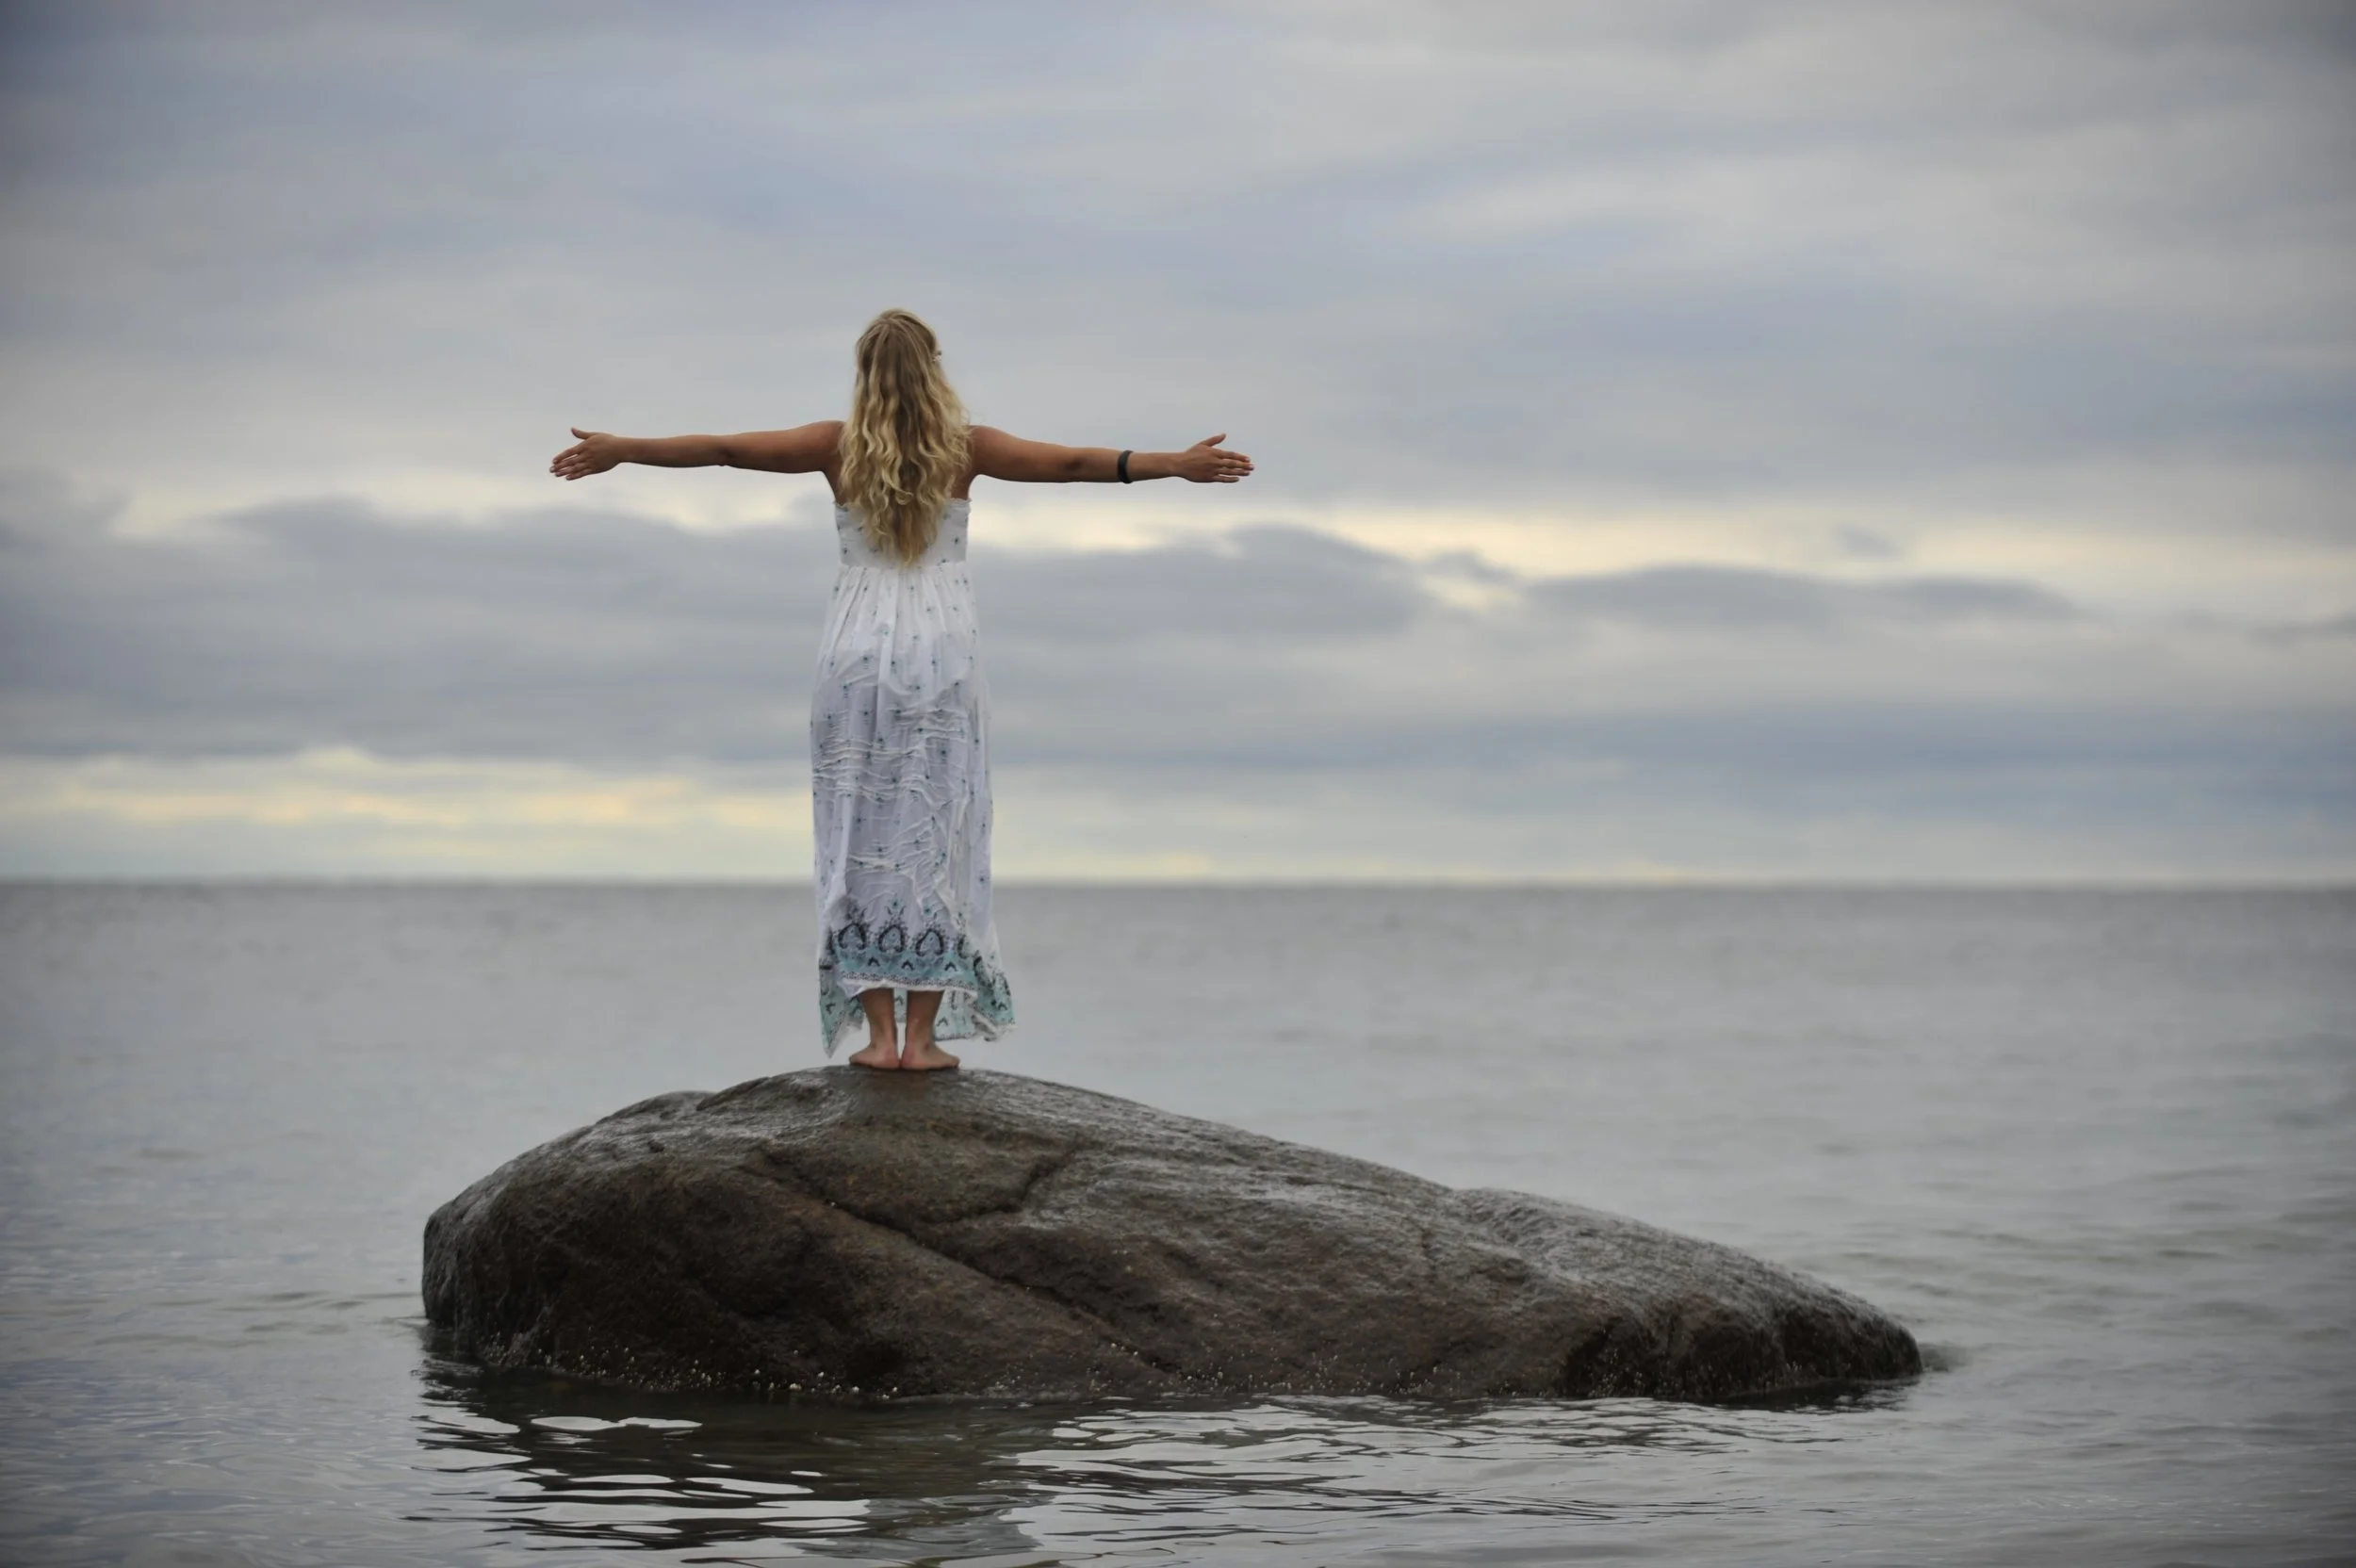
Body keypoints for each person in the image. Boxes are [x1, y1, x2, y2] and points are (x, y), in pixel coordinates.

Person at [549, 308, 1253, 1070]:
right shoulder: (968, 448)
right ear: (935, 367)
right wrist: (1170, 464)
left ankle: (879, 1040)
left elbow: (724, 450)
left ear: (863, 373)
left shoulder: (833, 445)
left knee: (857, 831)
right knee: (937, 832)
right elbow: (1075, 465)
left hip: (854, 651)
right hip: (943, 652)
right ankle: (920, 1042)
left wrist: (624, 449)